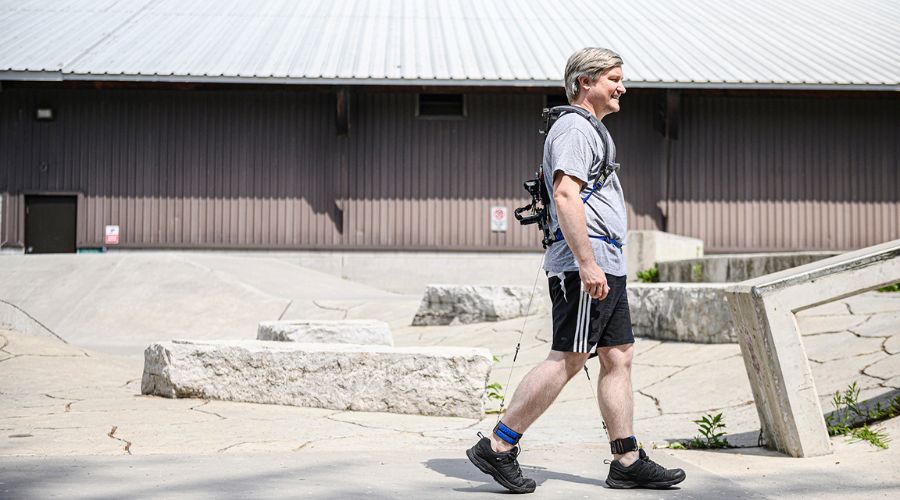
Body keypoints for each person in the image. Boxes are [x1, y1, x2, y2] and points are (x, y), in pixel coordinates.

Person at [466, 47, 686, 493]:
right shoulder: (573, 128)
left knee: (618, 355)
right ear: (585, 82)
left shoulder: (590, 130)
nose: (622, 87)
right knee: (569, 356)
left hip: (607, 260)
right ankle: (499, 445)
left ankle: (626, 459)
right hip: (587, 263)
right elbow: (566, 196)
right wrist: (587, 264)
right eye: (614, 78)